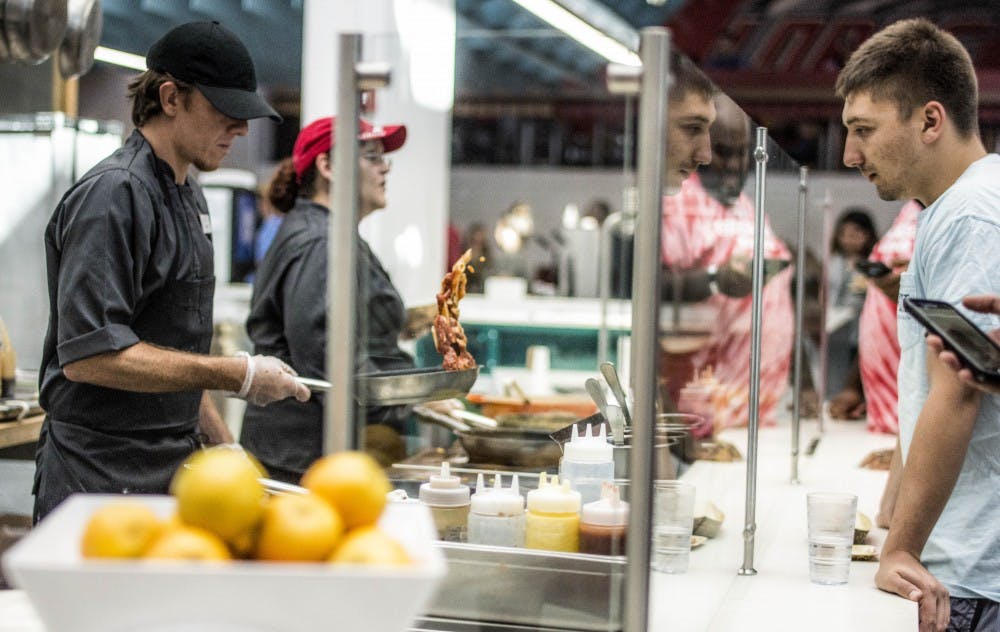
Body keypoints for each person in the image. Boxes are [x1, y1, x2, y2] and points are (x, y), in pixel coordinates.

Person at [34, 21, 310, 522]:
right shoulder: (115, 195)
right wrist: (237, 375)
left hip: (169, 468)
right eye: (226, 111)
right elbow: (91, 356)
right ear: (170, 97)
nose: (243, 129)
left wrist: (224, 446)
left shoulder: (188, 194)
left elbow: (171, 347)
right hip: (97, 479)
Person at [837, 17, 1000, 630]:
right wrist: (894, 507)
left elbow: (959, 392)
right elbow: (928, 377)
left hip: (969, 571)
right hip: (956, 551)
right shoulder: (947, 210)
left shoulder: (971, 218)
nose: (851, 155)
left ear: (930, 121)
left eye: (864, 131)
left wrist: (901, 546)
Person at [239, 116, 430, 482]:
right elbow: (327, 356)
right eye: (372, 156)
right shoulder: (323, 242)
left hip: (305, 453)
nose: (384, 167)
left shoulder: (328, 234)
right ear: (327, 166)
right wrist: (411, 398)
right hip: (302, 460)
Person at [660, 93, 795, 429]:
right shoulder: (678, 200)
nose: (734, 165)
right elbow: (648, 285)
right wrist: (714, 278)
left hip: (754, 409)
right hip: (701, 413)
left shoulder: (745, 205)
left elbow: (775, 298)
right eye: (723, 152)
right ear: (701, 147)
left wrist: (803, 384)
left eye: (741, 154)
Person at [825, 208, 878, 398]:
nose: (849, 240)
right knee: (836, 369)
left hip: (862, 327)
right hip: (836, 326)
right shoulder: (834, 262)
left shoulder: (872, 263)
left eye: (855, 234)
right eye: (844, 235)